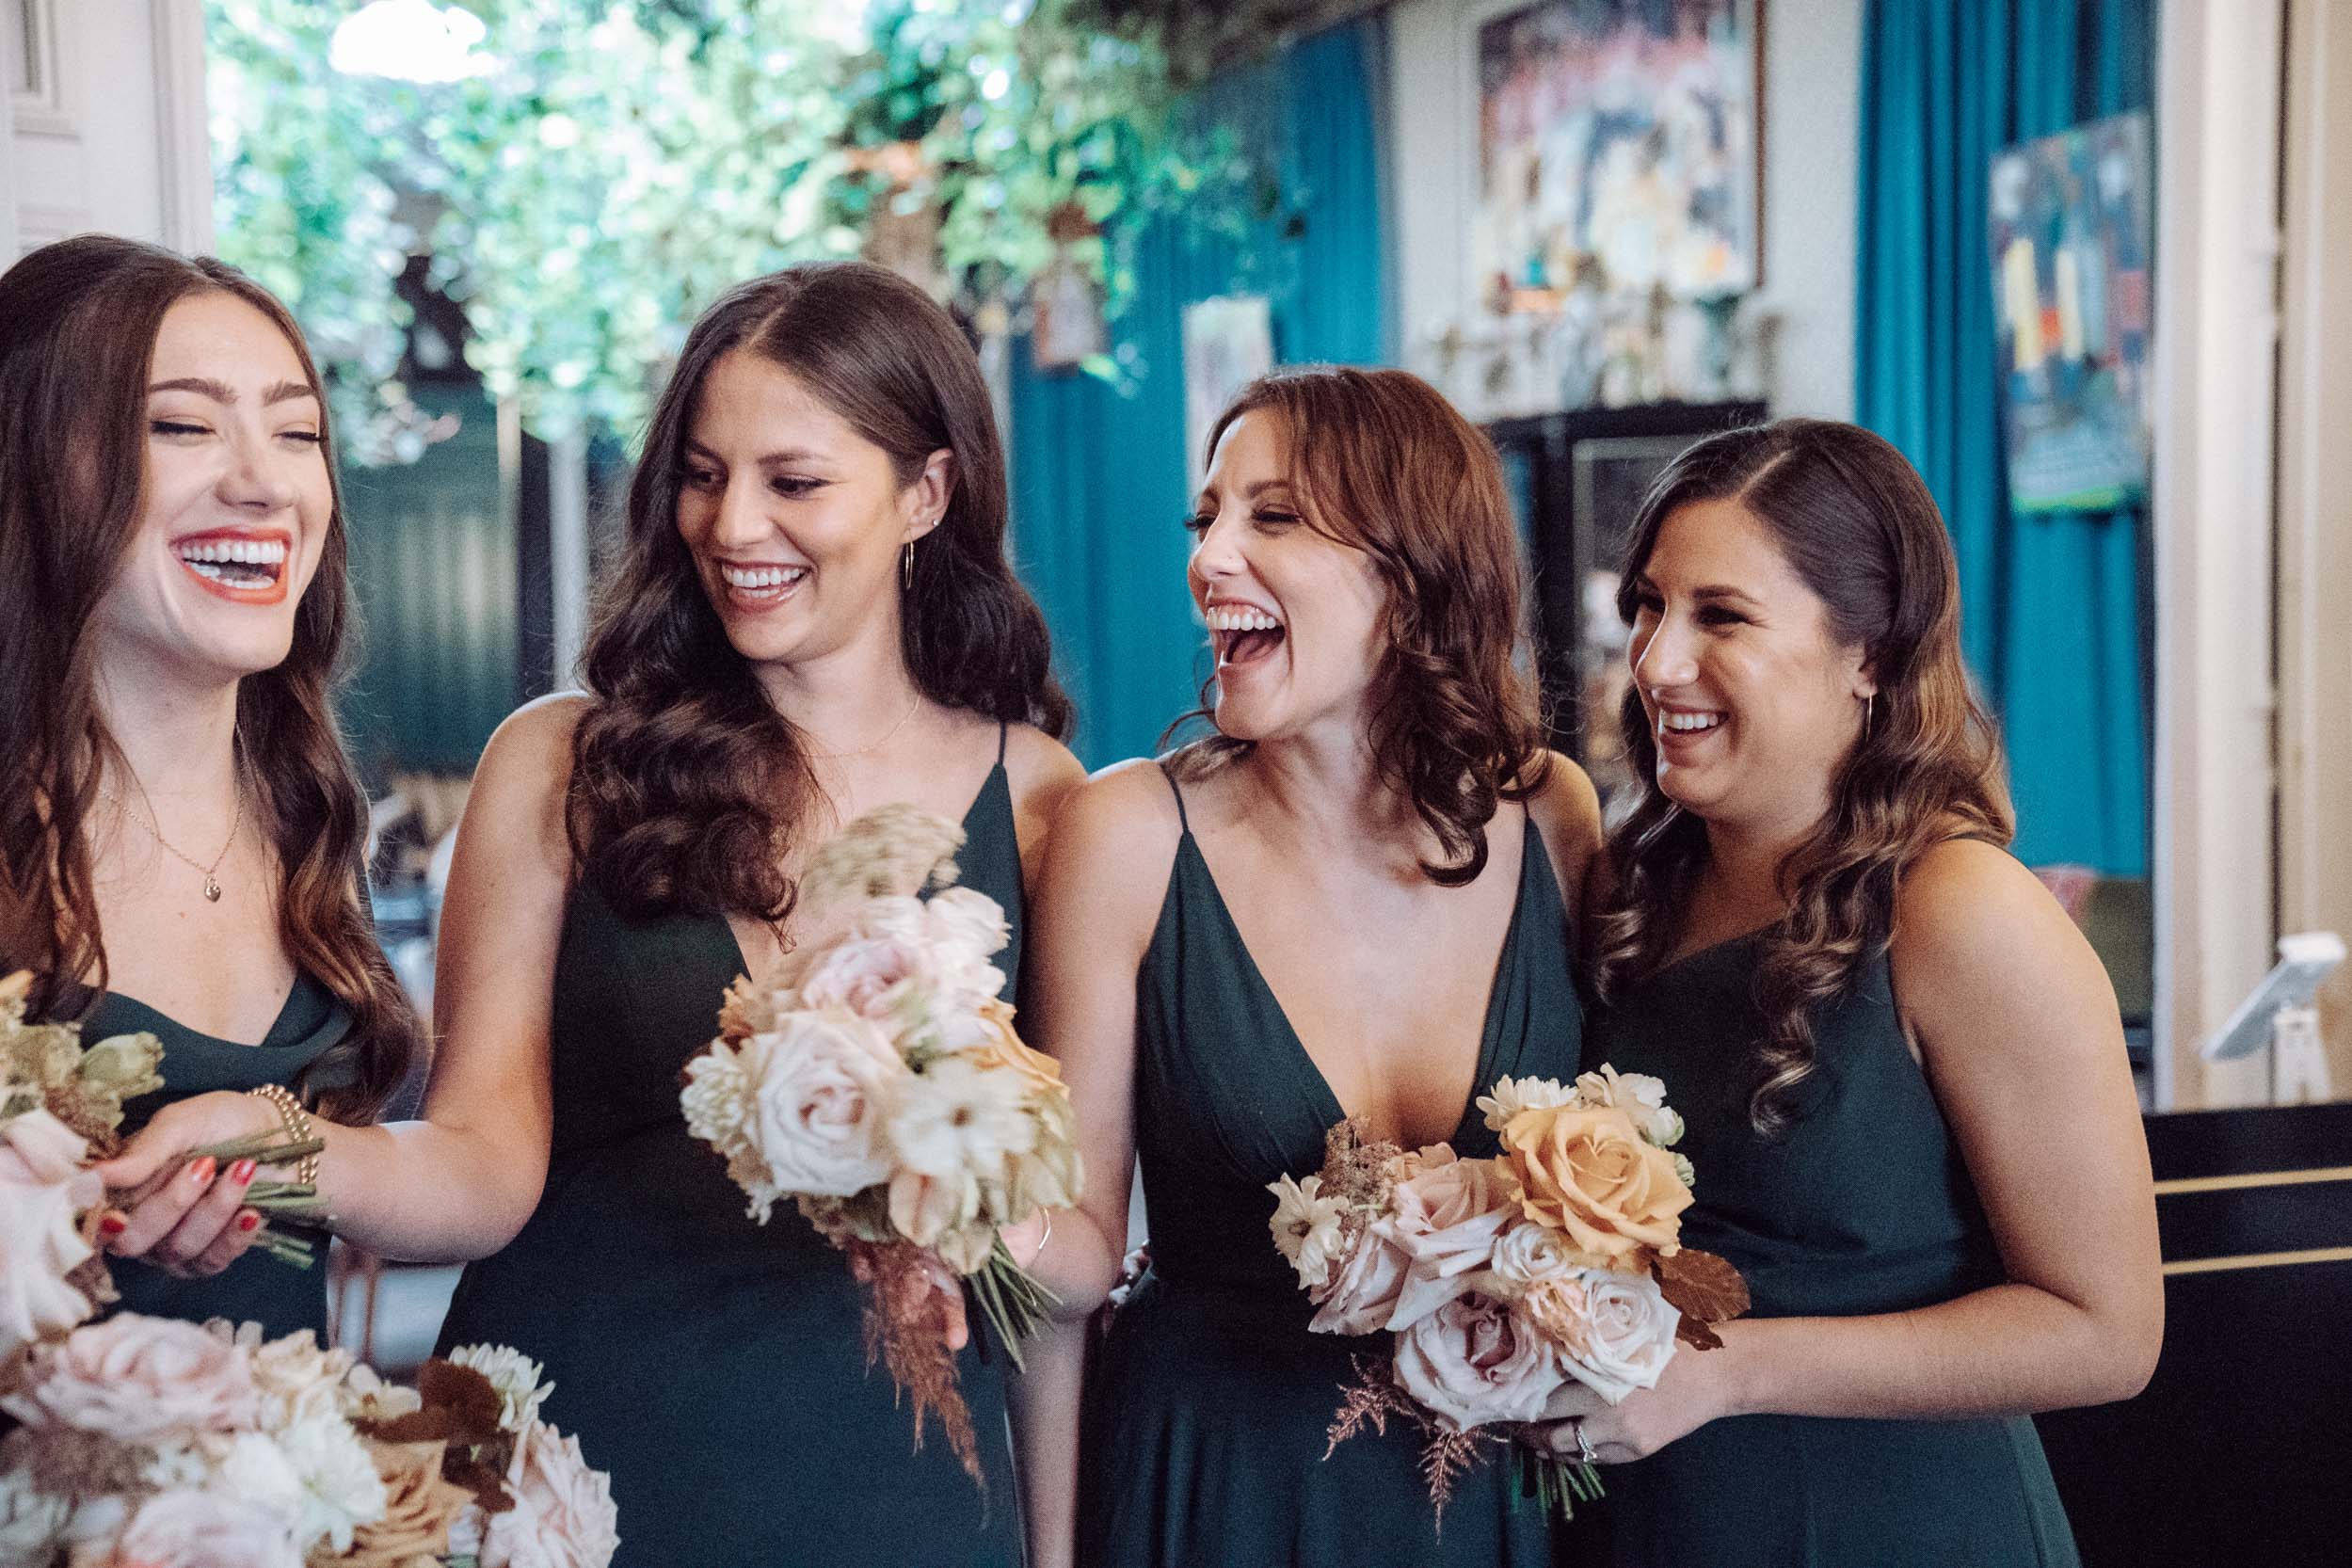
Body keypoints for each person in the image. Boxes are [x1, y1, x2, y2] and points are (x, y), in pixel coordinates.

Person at [105, 262, 1086, 1568]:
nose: (730, 523)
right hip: (573, 1463)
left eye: (792, 482)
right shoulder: (564, 759)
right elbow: (478, 1161)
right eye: (698, 472)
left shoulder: (1044, 800)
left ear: (926, 492)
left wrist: (952, 1176)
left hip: (895, 1484)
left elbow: (1075, 1256)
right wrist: (278, 1148)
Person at [1016, 367, 1604, 1568]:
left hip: (1499, 1502)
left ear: (1416, 564)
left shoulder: (1553, 816)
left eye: (1273, 518)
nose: (1211, 558)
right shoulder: (1126, 836)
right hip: (1214, 1488)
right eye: (1208, 518)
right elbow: (1060, 1284)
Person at [1552, 419, 2160, 1567]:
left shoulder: (1960, 909)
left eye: (1720, 616)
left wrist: (1726, 1377)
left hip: (1897, 1524)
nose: (1655, 660)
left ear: (1869, 654)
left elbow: (2107, 1332)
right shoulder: (1625, 881)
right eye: (1645, 605)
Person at [0, 234, 422, 1337]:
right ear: (28, 465)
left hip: (278, 1496)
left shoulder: (308, 822)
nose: (264, 482)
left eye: (299, 435)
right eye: (181, 425)